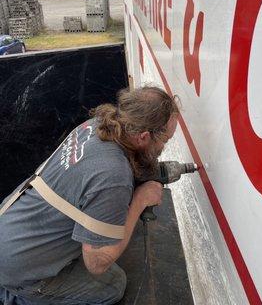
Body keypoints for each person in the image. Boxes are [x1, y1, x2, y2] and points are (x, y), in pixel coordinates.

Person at [0, 86, 179, 305]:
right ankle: (16, 296)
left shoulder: (96, 125)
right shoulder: (112, 176)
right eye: (165, 140)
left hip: (8, 227)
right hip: (18, 269)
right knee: (113, 285)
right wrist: (141, 200)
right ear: (143, 137)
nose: (164, 147)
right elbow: (97, 263)